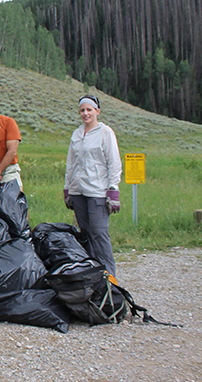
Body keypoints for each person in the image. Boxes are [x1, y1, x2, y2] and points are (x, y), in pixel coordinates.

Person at [63, 95, 122, 277]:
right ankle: (92, 272)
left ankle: (109, 275)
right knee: (86, 233)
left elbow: (114, 162)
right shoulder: (77, 134)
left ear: (97, 111)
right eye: (82, 110)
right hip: (78, 190)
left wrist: (113, 189)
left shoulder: (105, 132)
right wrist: (68, 189)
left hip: (97, 191)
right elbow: (71, 163)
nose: (85, 113)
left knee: (99, 233)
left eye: (89, 109)